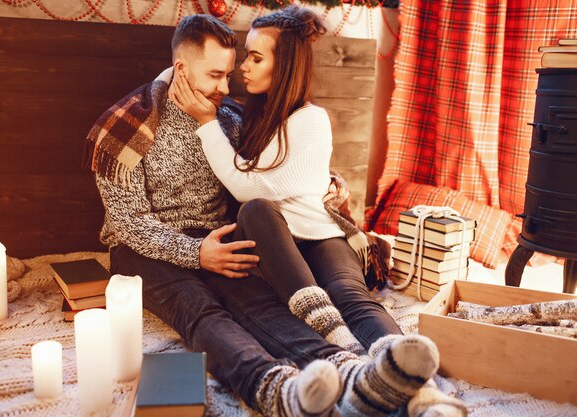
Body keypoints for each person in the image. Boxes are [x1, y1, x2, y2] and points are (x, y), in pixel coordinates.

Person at [85, 13, 441, 417]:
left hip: (220, 236)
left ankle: (349, 369)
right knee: (203, 315)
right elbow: (128, 222)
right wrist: (196, 254)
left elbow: (274, 173)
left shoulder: (230, 118)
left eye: (230, 71)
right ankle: (277, 388)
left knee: (264, 306)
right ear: (182, 69)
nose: (227, 85)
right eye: (216, 75)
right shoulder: (124, 127)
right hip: (143, 250)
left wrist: (329, 185)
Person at [171, 6, 468, 417]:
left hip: (318, 235)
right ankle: (354, 364)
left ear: (286, 63)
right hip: (276, 242)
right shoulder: (251, 116)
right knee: (258, 215)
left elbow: (251, 184)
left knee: (353, 299)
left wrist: (205, 121)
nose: (243, 68)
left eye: (256, 57)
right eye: (246, 56)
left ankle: (425, 394)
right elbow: (258, 187)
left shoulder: (311, 119)